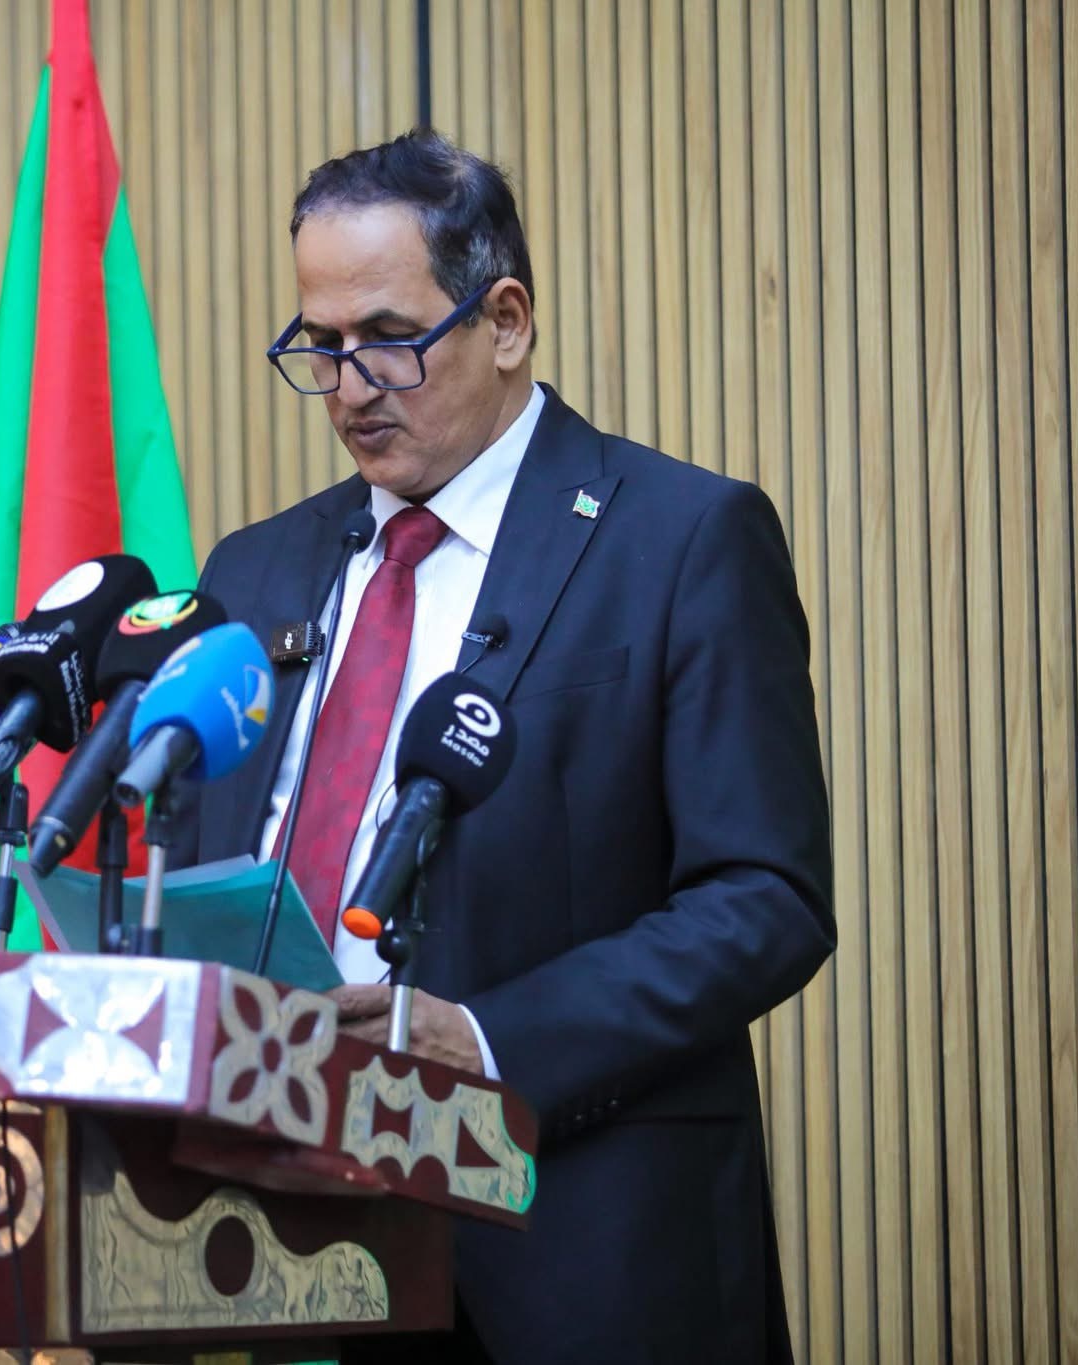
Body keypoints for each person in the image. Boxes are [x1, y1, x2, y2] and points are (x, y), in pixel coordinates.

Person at [174, 130, 836, 1362]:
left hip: (576, 1251)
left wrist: (479, 1044)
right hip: (283, 1247)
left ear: (505, 321)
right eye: (319, 346)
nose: (350, 387)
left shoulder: (679, 540)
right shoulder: (252, 572)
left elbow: (764, 902)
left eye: (388, 337)